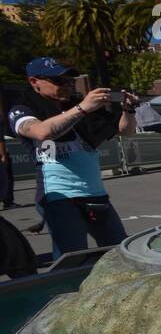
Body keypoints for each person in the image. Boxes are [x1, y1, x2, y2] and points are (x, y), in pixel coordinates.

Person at [8, 57, 137, 259]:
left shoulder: (77, 104)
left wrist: (128, 109)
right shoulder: (22, 109)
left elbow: (125, 130)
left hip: (95, 192)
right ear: (34, 82)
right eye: (59, 81)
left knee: (121, 252)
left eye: (70, 81)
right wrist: (82, 108)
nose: (67, 86)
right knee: (72, 258)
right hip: (59, 195)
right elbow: (42, 132)